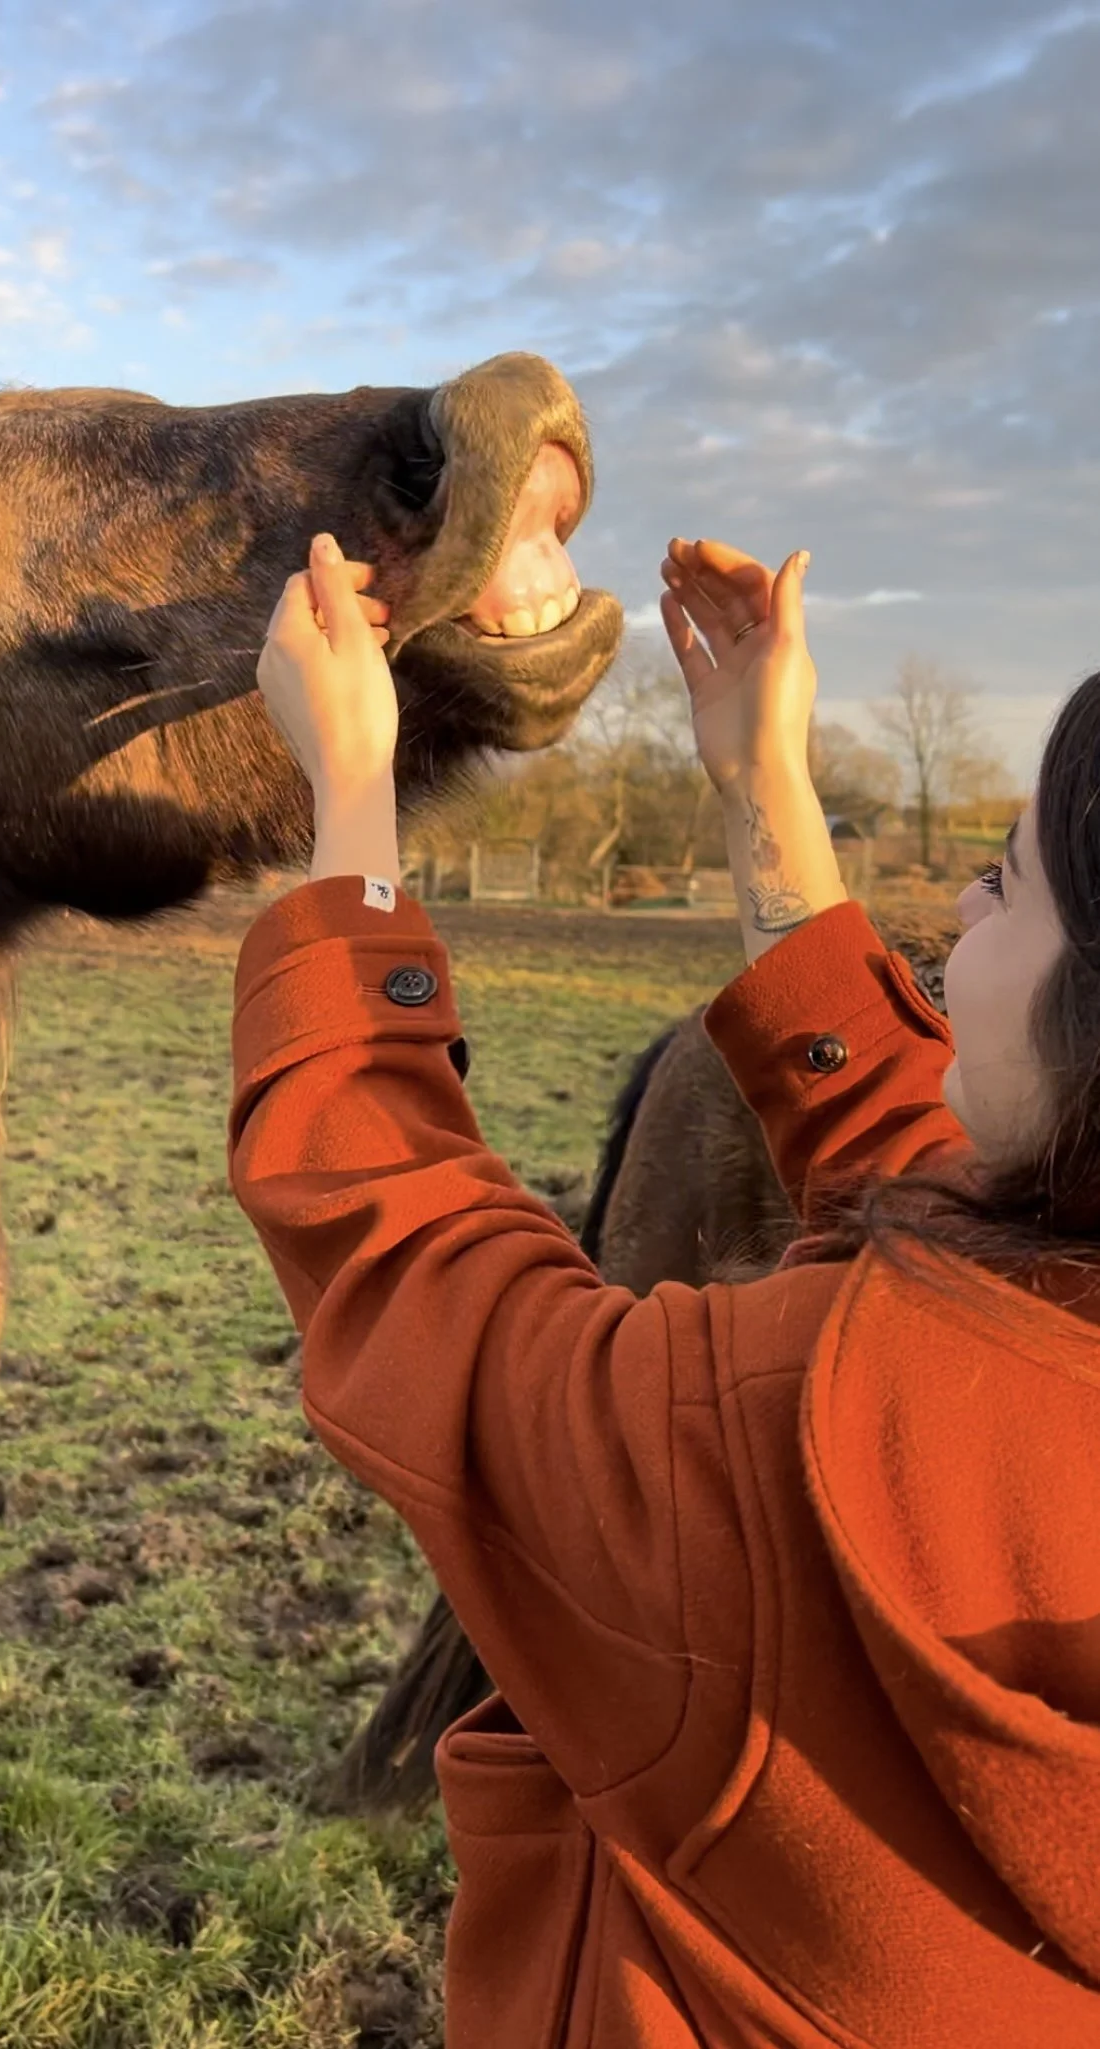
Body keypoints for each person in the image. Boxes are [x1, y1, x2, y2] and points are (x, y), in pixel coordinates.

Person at [229, 530, 1100, 2048]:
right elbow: (937, 1185)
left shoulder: (798, 1452)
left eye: (1002, 882)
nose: (958, 911)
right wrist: (766, 790)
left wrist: (351, 804)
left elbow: (417, 1264)